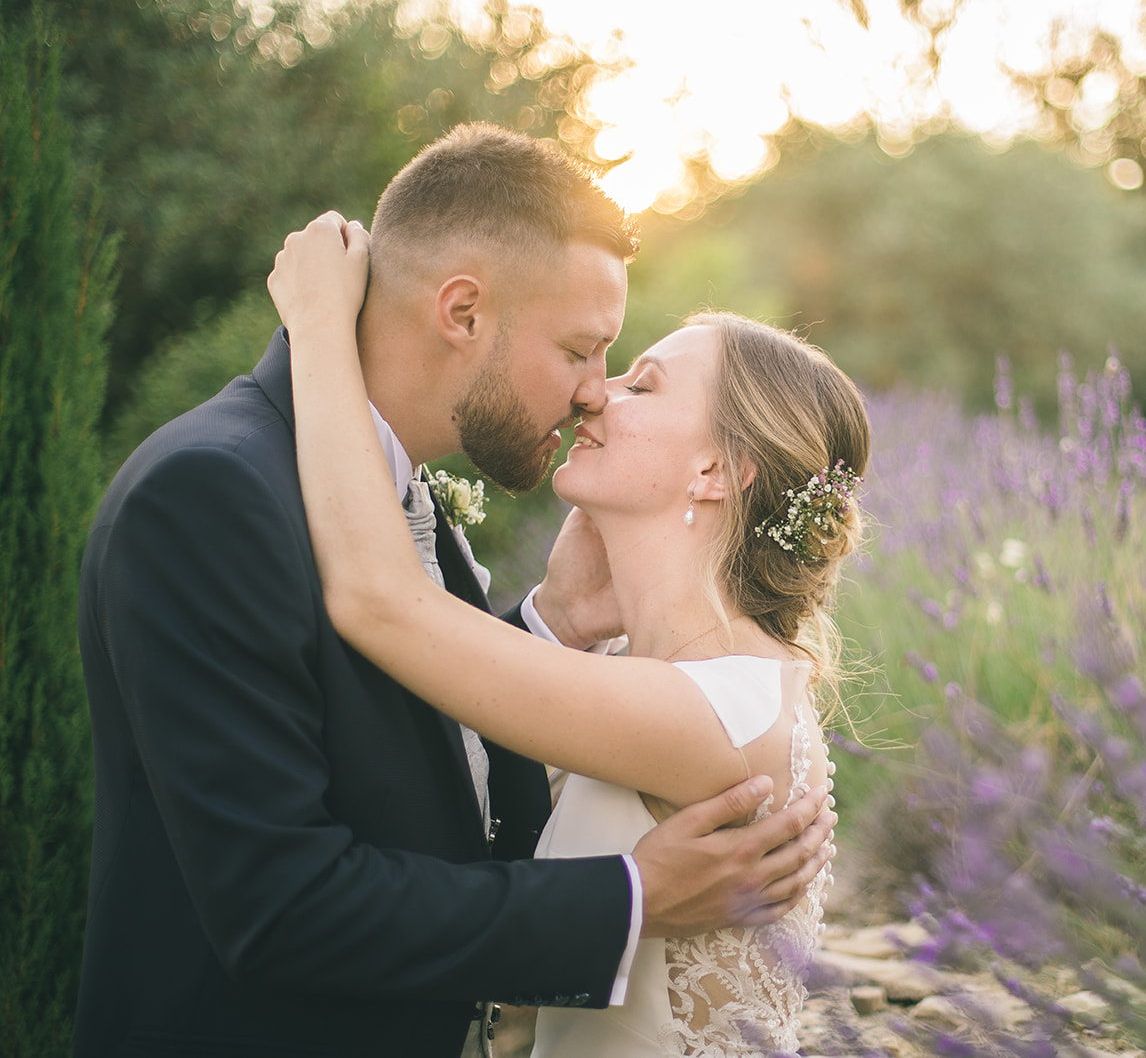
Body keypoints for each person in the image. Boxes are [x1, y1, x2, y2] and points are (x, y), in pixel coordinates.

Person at [74, 123, 832, 1058]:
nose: (595, 394)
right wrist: (629, 898)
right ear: (463, 313)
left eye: (629, 373)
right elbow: (278, 905)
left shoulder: (404, 505)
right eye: (584, 350)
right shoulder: (213, 494)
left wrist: (542, 628)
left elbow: (421, 740)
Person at [267, 207, 870, 1055]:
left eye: (644, 383)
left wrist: (319, 327)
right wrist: (563, 615)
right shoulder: (649, 673)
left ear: (716, 471)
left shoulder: (721, 712)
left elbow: (380, 602)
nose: (597, 390)